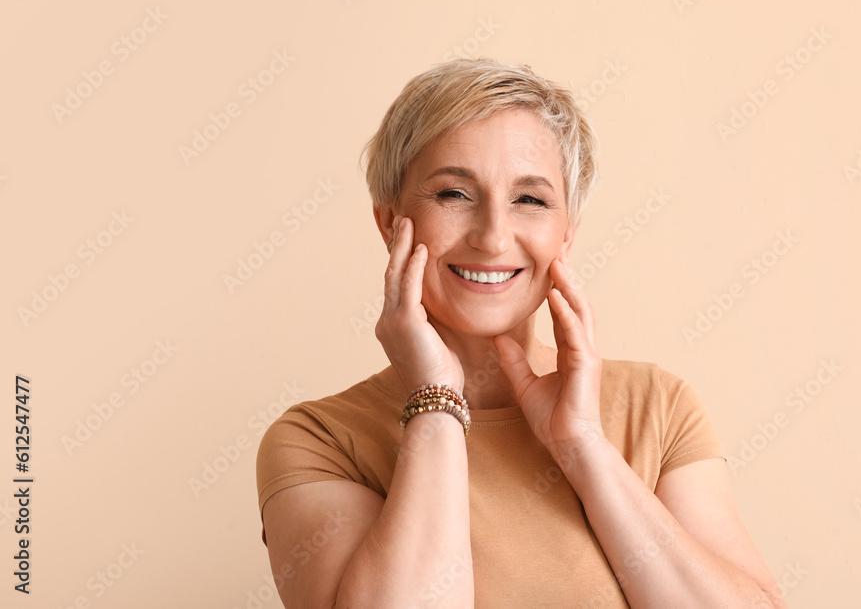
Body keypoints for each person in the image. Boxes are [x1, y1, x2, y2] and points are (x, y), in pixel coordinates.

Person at [256, 58, 787, 608]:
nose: (492, 236)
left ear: (566, 234)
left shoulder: (658, 405)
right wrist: (437, 399)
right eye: (453, 194)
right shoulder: (319, 439)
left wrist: (583, 446)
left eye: (529, 200)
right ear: (390, 223)